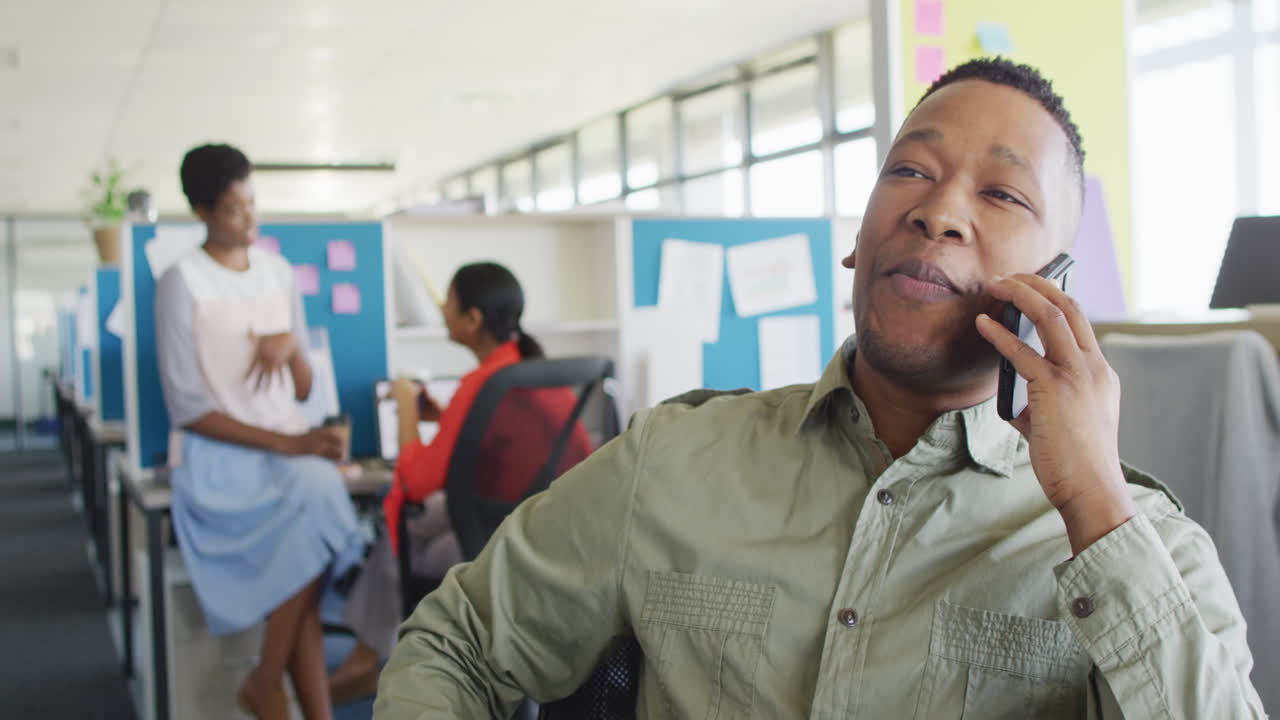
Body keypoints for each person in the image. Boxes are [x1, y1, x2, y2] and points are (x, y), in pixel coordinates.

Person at [373, 59, 1266, 719]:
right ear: (858, 240)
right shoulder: (673, 460)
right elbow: (456, 645)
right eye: (910, 171)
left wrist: (1096, 506)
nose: (938, 210)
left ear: (1056, 283)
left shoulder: (1144, 549)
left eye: (1002, 195)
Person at [156, 144, 365, 720]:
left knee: (311, 531)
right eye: (233, 208)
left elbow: (301, 390)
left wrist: (292, 346)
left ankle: (266, 682)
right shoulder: (182, 282)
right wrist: (295, 445)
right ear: (201, 211)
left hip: (288, 452)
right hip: (224, 457)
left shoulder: (278, 272)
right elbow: (187, 407)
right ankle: (269, 685)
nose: (249, 218)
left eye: (252, 203)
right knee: (319, 506)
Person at [329, 262, 593, 704]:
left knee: (403, 524)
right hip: (548, 531)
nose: (442, 311)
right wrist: (445, 418)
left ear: (472, 319)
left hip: (501, 541)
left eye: (448, 302)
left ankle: (372, 660)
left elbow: (416, 481)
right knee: (415, 521)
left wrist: (406, 405)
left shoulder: (483, 382)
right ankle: (370, 657)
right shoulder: (527, 368)